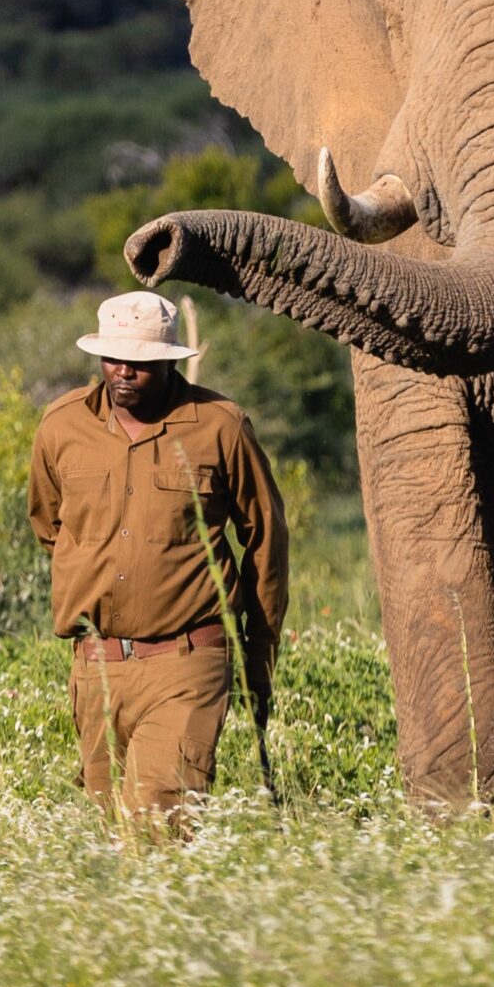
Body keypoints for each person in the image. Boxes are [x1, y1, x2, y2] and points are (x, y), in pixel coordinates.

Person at [27, 290, 289, 833]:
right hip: (96, 666)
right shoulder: (60, 426)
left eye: (141, 362)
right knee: (108, 829)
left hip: (188, 659)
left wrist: (258, 651)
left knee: (156, 825)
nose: (124, 372)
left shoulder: (220, 426)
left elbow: (265, 537)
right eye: (113, 358)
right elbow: (51, 527)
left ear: (168, 362)